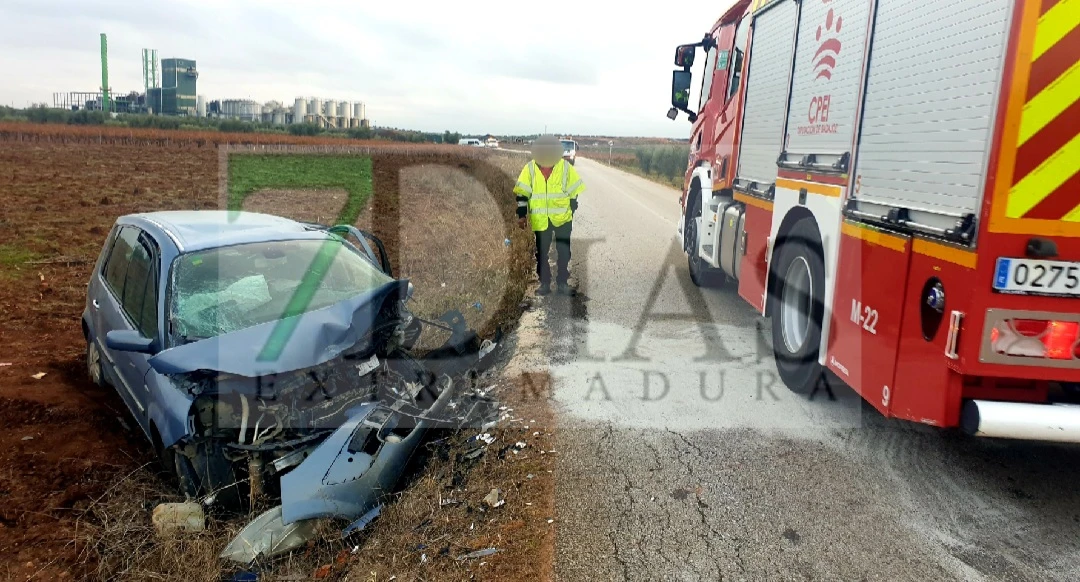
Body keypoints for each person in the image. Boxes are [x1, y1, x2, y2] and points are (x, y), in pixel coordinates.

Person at [514, 135, 586, 296]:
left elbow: (574, 190)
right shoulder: (530, 169)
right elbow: (522, 193)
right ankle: (544, 284)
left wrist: (572, 207)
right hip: (541, 220)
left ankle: (562, 283)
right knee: (541, 252)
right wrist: (521, 215)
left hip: (562, 219)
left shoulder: (565, 168)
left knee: (564, 252)